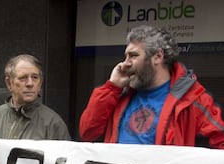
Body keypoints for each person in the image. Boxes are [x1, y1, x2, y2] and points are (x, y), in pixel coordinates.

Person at [79, 25, 224, 149]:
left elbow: (220, 143)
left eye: (133, 56)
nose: (125, 63)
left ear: (158, 57)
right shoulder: (119, 95)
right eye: (126, 56)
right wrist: (112, 88)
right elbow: (87, 133)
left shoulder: (193, 100)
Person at [0, 54, 71, 140]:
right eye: (23, 78)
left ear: (40, 83)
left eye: (35, 78)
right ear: (9, 83)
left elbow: (67, 160)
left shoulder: (53, 123)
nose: (30, 83)